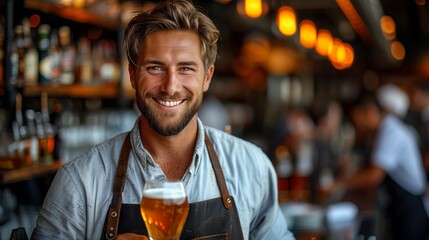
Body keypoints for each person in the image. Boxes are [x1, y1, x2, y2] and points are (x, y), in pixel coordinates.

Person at [31, 1, 294, 239]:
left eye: (186, 68)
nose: (170, 86)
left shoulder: (251, 167)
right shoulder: (80, 181)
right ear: (133, 75)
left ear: (207, 78)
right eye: (155, 67)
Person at [327, 87, 429, 240]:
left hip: (410, 206)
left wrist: (340, 183)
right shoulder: (381, 131)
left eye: (357, 117)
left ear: (368, 112)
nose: (356, 123)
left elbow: (374, 175)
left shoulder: (391, 130)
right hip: (398, 205)